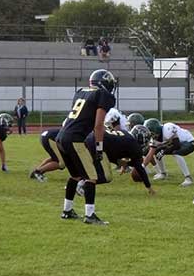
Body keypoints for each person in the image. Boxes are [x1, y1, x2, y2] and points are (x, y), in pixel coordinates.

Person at [55, 69, 117, 225]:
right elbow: (98, 125)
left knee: (75, 175)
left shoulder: (81, 92)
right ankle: (90, 215)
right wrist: (99, 147)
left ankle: (67, 211)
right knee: (92, 176)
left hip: (61, 137)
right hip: (74, 139)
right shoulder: (103, 95)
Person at [78, 126, 155, 196]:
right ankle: (82, 183)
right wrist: (149, 187)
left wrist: (121, 163)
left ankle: (78, 181)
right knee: (106, 176)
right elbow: (140, 168)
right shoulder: (134, 146)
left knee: (94, 170)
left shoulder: (125, 134)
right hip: (98, 144)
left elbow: (112, 152)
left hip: (91, 139)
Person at [143, 118, 194, 186]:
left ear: (157, 130)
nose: (151, 136)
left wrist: (163, 151)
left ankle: (188, 178)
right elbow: (150, 154)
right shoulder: (154, 138)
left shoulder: (167, 128)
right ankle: (163, 173)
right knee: (157, 152)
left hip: (188, 142)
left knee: (176, 153)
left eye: (152, 133)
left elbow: (176, 145)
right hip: (176, 144)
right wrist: (142, 167)